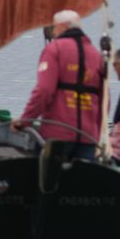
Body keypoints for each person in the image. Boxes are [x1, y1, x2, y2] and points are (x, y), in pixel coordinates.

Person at [11, 9, 104, 160]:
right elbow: (104, 100)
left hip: (57, 136)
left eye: (54, 27)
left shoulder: (54, 49)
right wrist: (96, 133)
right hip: (88, 137)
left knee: (40, 178)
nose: (53, 32)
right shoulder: (96, 55)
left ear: (62, 26)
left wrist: (25, 121)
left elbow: (44, 91)